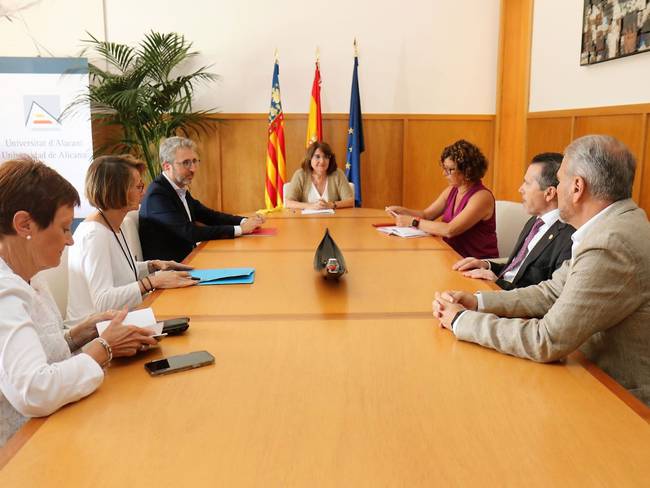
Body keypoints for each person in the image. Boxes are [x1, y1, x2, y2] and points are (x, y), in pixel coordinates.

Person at [433, 135, 650, 406]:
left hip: (618, 400)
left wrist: (460, 321)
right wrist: (478, 301)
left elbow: (545, 339)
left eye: (560, 181)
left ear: (577, 187)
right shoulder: (619, 223)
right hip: (587, 374)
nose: (555, 190)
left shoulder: (609, 244)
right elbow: (552, 291)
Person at [0, 157, 158, 446]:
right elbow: (35, 390)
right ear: (24, 225)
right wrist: (104, 347)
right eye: (63, 229)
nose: (70, 240)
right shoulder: (4, 291)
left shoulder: (30, 276)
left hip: (53, 424)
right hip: (19, 447)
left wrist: (84, 331)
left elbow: (42, 348)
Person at [67, 155, 196, 323]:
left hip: (120, 321)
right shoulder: (94, 235)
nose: (144, 192)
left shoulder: (114, 223)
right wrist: (152, 282)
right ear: (117, 190)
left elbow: (117, 271)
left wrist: (151, 266)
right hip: (97, 334)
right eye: (139, 186)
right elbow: (103, 302)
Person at [452, 153, 575, 289]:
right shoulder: (535, 221)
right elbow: (517, 268)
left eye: (527, 183)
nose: (520, 189)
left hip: (511, 302)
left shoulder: (569, 237)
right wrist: (486, 265)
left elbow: (548, 295)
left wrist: (498, 283)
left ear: (550, 193)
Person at [139, 137, 265, 262]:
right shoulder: (157, 195)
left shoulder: (178, 188)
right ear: (167, 166)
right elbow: (190, 232)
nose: (193, 169)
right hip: (172, 270)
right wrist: (240, 230)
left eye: (195, 161)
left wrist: (244, 221)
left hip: (189, 259)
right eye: (186, 163)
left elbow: (209, 216)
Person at [386, 139, 498, 258]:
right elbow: (426, 215)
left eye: (449, 169)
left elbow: (449, 230)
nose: (444, 174)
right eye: (444, 168)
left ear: (467, 171)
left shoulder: (482, 197)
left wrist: (413, 221)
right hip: (452, 258)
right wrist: (402, 211)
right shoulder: (452, 190)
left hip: (476, 265)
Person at [284, 141, 355, 210]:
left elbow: (350, 201)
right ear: (310, 158)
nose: (322, 161)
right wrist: (310, 206)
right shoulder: (300, 175)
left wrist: (331, 205)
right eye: (317, 157)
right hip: (305, 220)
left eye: (326, 157)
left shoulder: (338, 174)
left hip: (333, 220)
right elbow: (288, 202)